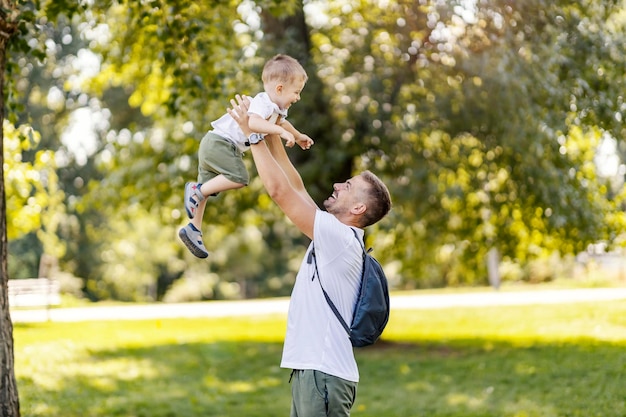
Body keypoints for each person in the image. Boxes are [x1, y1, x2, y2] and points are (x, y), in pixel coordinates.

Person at [228, 94, 392, 417]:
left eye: (347, 186)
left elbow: (280, 192)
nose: (336, 185)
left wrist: (254, 134)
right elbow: (296, 186)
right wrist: (273, 126)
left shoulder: (339, 239)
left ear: (358, 208)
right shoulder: (336, 235)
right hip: (315, 372)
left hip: (324, 374)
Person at [179, 54, 314, 258]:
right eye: (296, 92)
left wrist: (297, 135)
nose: (298, 98)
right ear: (279, 89)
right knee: (239, 178)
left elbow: (282, 123)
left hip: (213, 144)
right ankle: (196, 189)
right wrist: (280, 133)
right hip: (220, 144)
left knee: (205, 192)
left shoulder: (275, 110)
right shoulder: (263, 103)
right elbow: (253, 124)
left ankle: (193, 228)